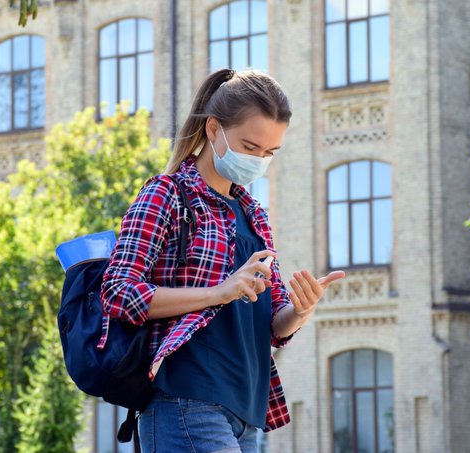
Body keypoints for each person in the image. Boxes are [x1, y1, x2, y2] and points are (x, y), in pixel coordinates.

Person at [100, 68, 345, 453]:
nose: (259, 161)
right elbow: (118, 293)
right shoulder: (166, 194)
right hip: (186, 399)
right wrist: (219, 292)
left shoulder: (254, 213)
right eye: (250, 147)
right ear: (213, 129)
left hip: (246, 410)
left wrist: (300, 310)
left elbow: (272, 326)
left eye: (269, 153)